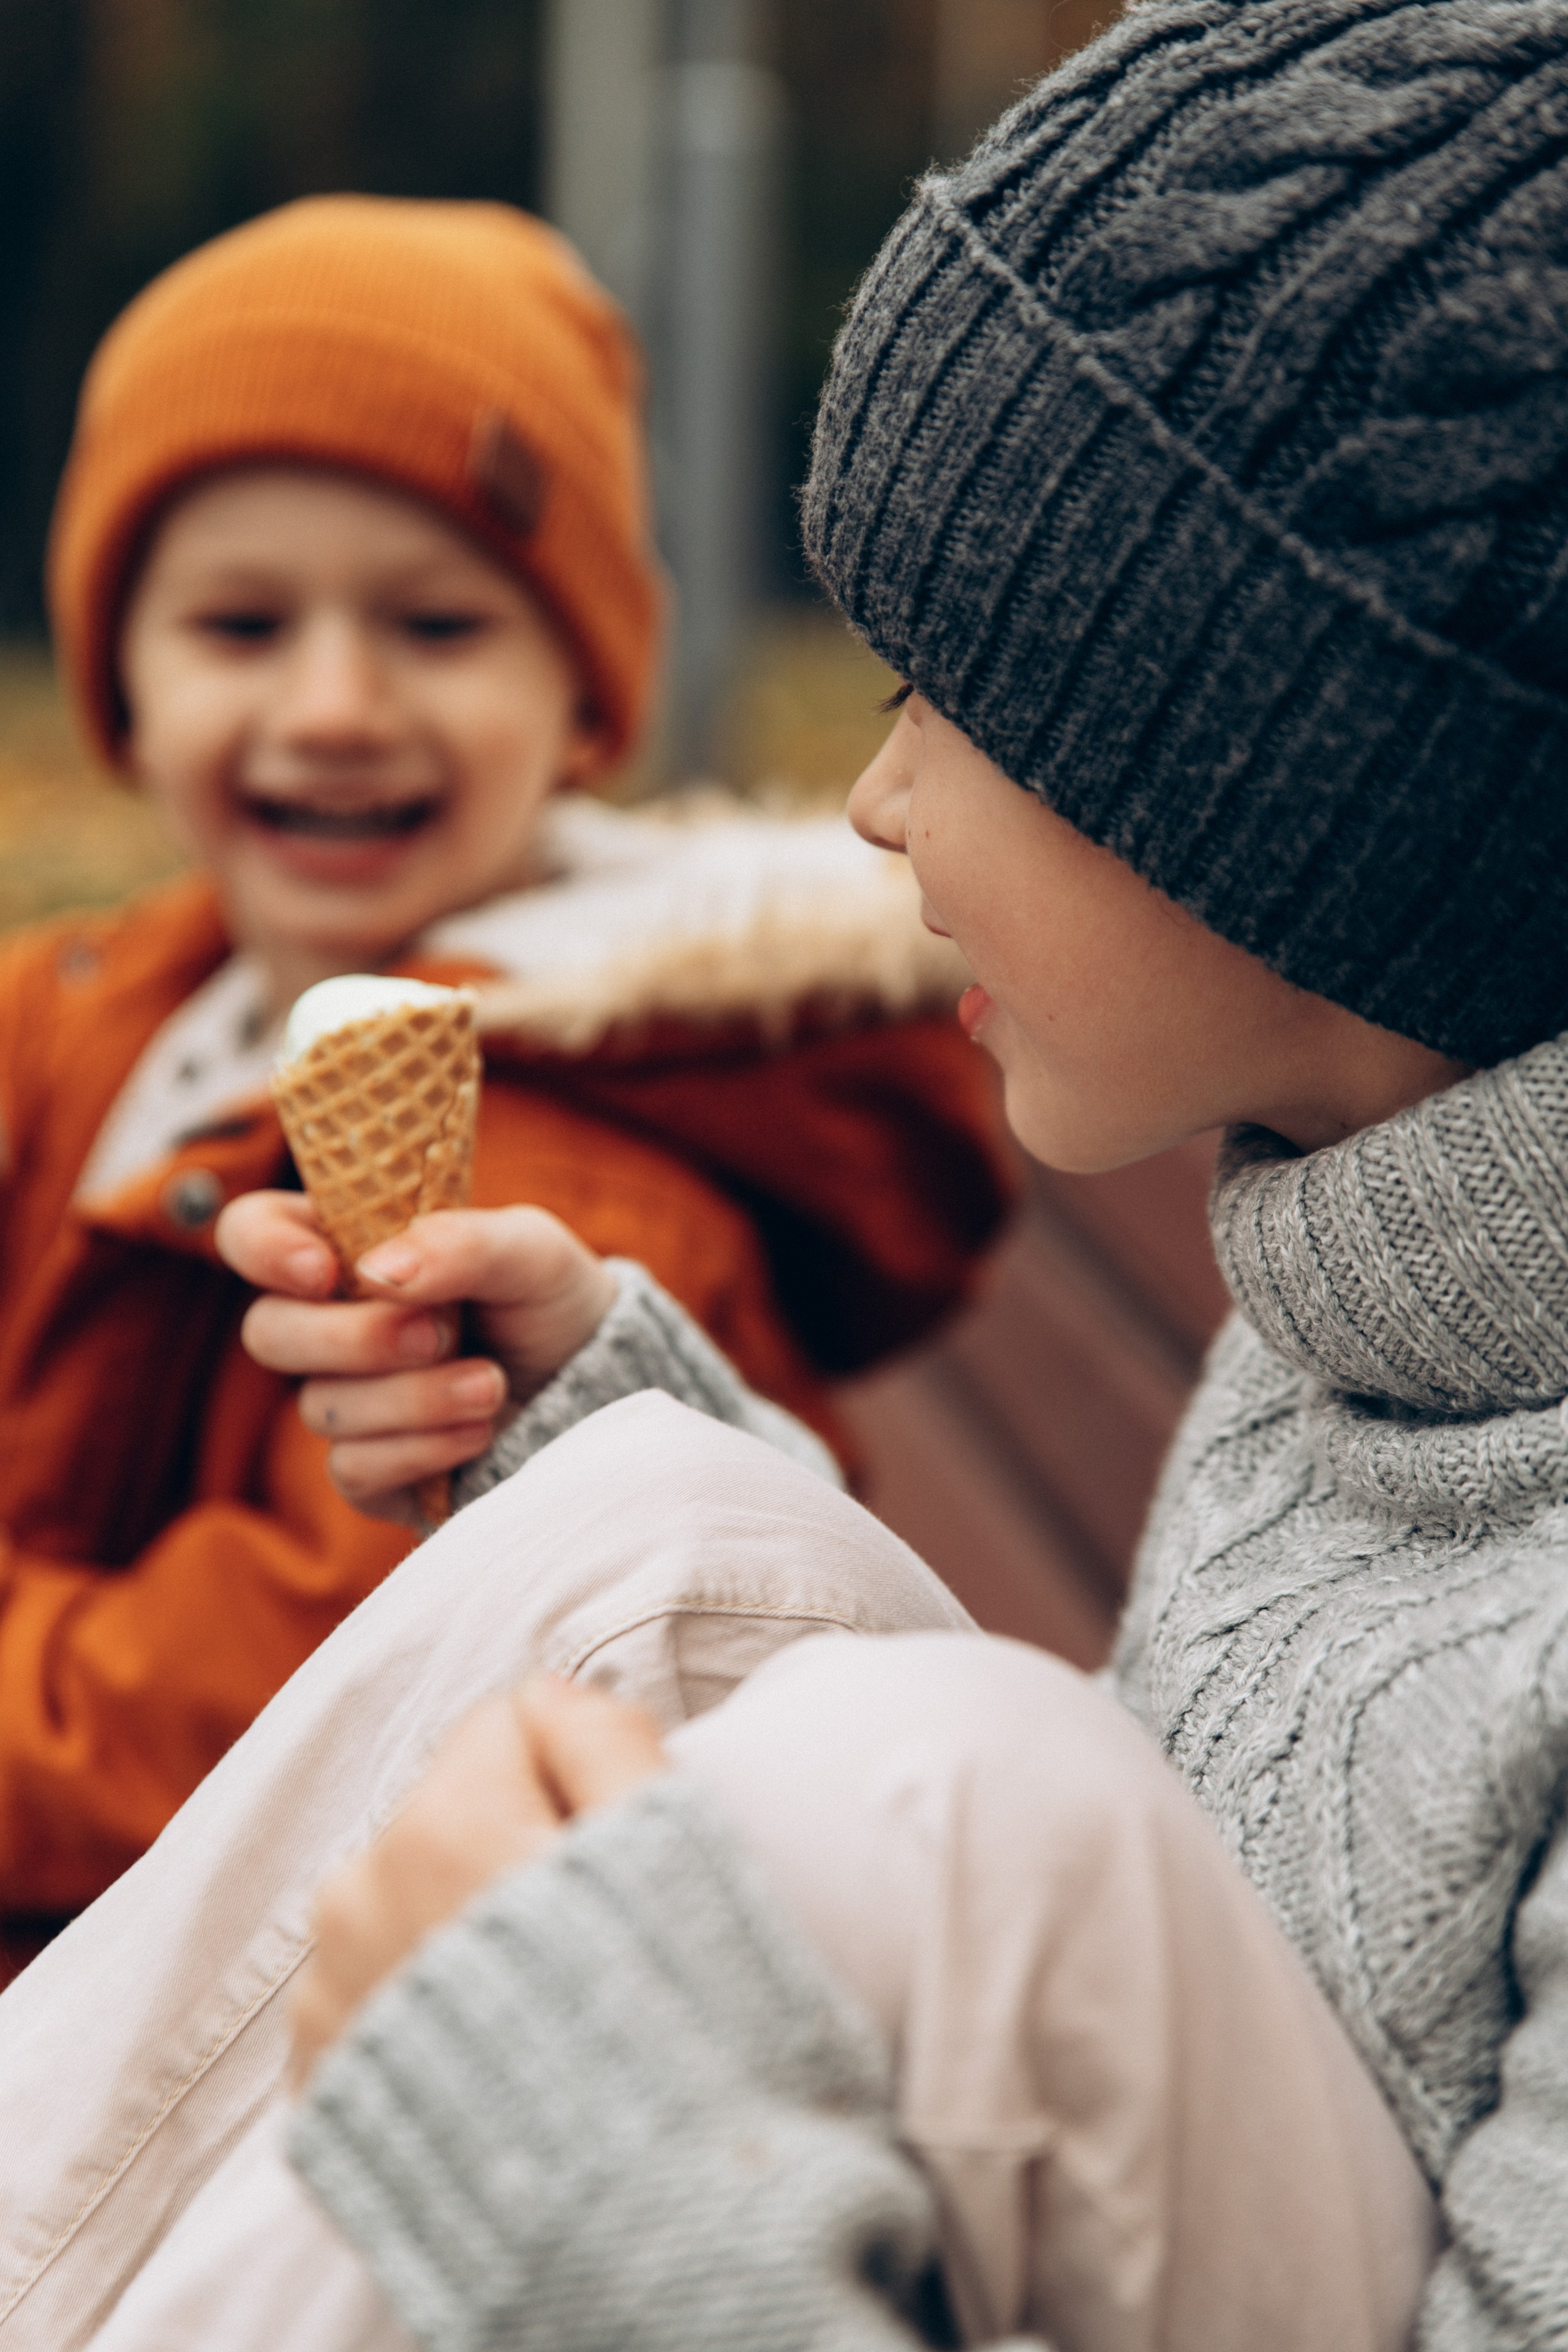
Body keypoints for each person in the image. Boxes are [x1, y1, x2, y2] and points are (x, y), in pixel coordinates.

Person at [7, 0, 1568, 2345]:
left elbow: (1053, 1877)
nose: (876, 799)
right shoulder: (1353, 1301)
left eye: (954, 701)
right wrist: (582, 1421)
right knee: (656, 1510)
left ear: (1294, 794)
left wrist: (598, 2172)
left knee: (983, 1785)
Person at [0, 192, 1011, 1954]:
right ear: (122, 690)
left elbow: (280, 1712)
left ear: (586, 701)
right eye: (242, 626)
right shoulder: (102, 1009)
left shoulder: (544, 1210)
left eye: (438, 627)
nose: (334, 704)